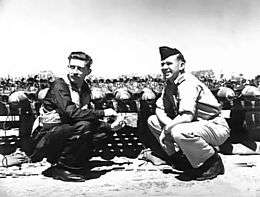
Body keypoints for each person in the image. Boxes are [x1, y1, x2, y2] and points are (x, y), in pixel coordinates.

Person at [30, 51, 125, 182]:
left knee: (104, 131)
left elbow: (85, 114)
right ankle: (62, 168)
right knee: (84, 126)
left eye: (80, 68)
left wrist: (111, 126)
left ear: (88, 71)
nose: (74, 71)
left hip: (64, 131)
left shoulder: (83, 87)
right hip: (45, 137)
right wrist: (104, 112)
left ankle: (75, 162)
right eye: (72, 67)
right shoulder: (60, 85)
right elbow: (72, 113)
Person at [147, 46, 230, 181]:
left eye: (169, 63)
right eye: (162, 64)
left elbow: (187, 116)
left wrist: (168, 129)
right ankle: (182, 159)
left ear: (181, 65)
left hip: (214, 126)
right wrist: (168, 126)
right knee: (153, 121)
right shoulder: (170, 84)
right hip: (193, 127)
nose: (164, 67)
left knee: (178, 130)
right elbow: (159, 109)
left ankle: (212, 162)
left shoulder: (188, 83)